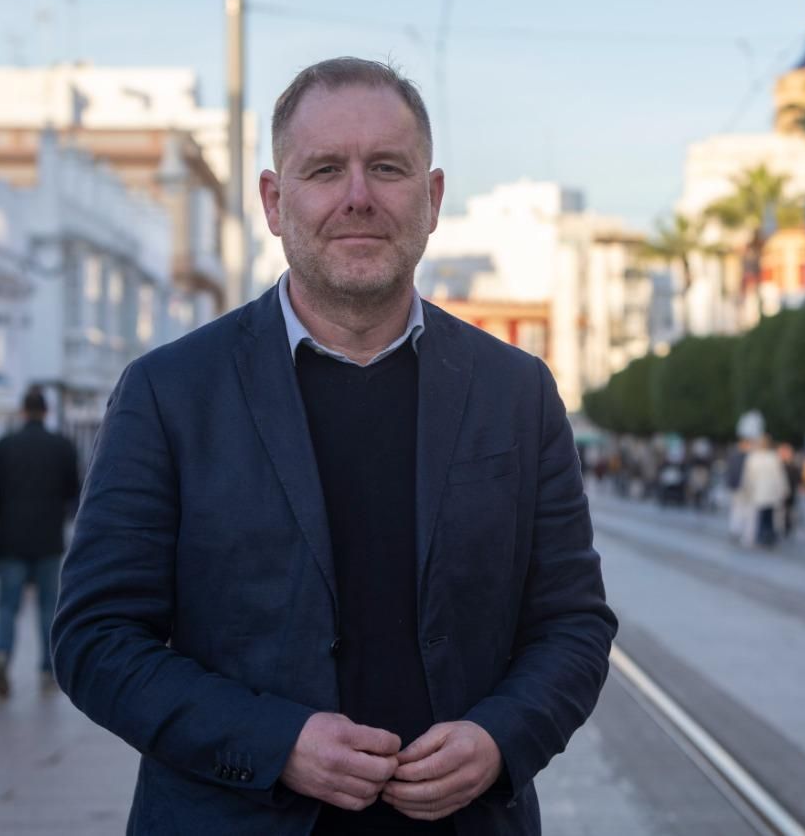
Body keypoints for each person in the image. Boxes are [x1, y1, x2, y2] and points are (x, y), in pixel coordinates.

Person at [50, 58, 616, 835]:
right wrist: (276, 743)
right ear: (275, 202)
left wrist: (498, 738)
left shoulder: (516, 393)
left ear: (433, 198)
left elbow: (573, 625)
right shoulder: (169, 393)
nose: (358, 197)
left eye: (387, 168)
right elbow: (96, 640)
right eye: (325, 170)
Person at [0, 390, 81, 699]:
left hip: (11, 539)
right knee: (48, 607)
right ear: (46, 411)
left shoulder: (5, 446)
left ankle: (1, 654)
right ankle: (47, 667)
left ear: (23, 411)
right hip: (48, 539)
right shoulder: (62, 447)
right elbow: (74, 494)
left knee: (7, 606)